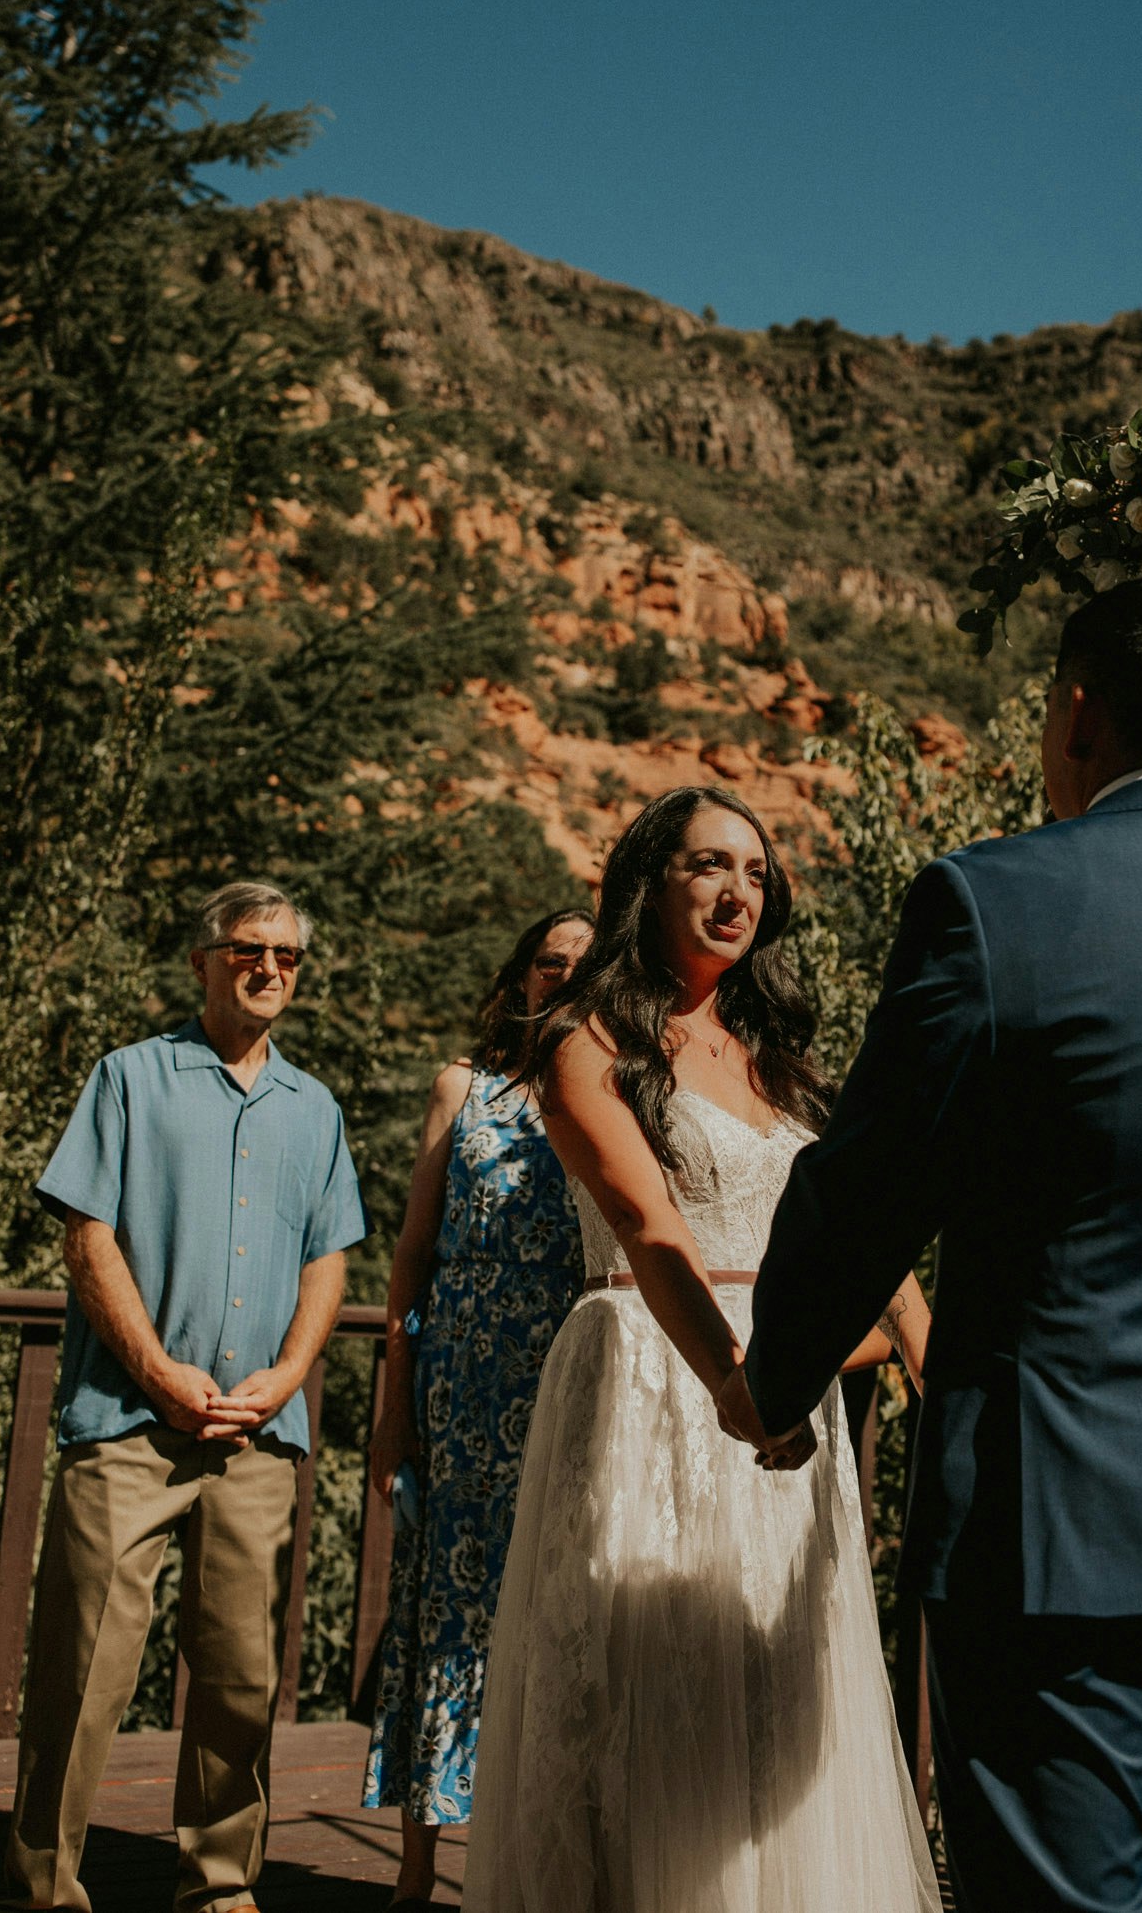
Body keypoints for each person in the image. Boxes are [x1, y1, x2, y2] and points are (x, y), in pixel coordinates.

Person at [741, 581, 1142, 1913]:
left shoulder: (995, 903)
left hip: (1054, 1526)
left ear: (1079, 710)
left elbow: (870, 1184)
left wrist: (776, 1376)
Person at [459, 787, 938, 1913]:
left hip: (785, 1389)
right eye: (710, 865)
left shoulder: (774, 1058)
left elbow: (856, 1229)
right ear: (649, 881)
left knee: (781, 1679)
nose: (738, 892)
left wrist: (932, 1360)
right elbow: (647, 1222)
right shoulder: (585, 1040)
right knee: (648, 1680)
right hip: (655, 1372)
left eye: (757, 873)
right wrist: (732, 1378)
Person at [5, 881, 368, 1913]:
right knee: (84, 1670)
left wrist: (287, 1378)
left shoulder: (315, 1108)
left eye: (288, 955)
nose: (270, 969)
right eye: (250, 949)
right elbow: (87, 1237)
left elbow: (328, 1260)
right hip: (128, 1425)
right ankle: (43, 1888)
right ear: (203, 960)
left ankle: (218, 1886)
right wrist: (160, 1375)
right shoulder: (128, 1078)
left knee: (242, 1679)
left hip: (257, 1436)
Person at [362, 907, 596, 1910]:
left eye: (585, 966)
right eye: (549, 962)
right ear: (522, 977)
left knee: (551, 1613)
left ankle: (528, 1867)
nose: (564, 978)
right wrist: (394, 1409)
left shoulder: (620, 1092)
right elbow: (412, 1253)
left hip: (565, 1371)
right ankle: (417, 1874)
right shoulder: (463, 1085)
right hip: (460, 1375)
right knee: (445, 1608)